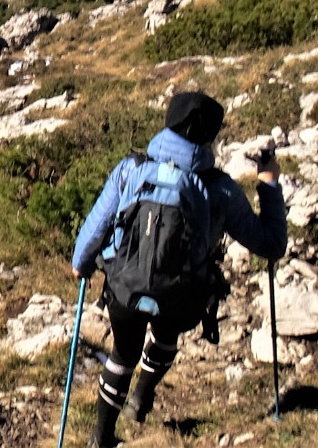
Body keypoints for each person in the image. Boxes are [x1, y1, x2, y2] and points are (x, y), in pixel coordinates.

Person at [71, 91, 286, 447]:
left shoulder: (131, 169)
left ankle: (101, 436)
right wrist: (268, 183)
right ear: (210, 136)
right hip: (181, 296)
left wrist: (81, 264)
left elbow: (97, 224)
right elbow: (271, 244)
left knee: (123, 353)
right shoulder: (219, 189)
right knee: (167, 333)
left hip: (124, 288)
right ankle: (141, 397)